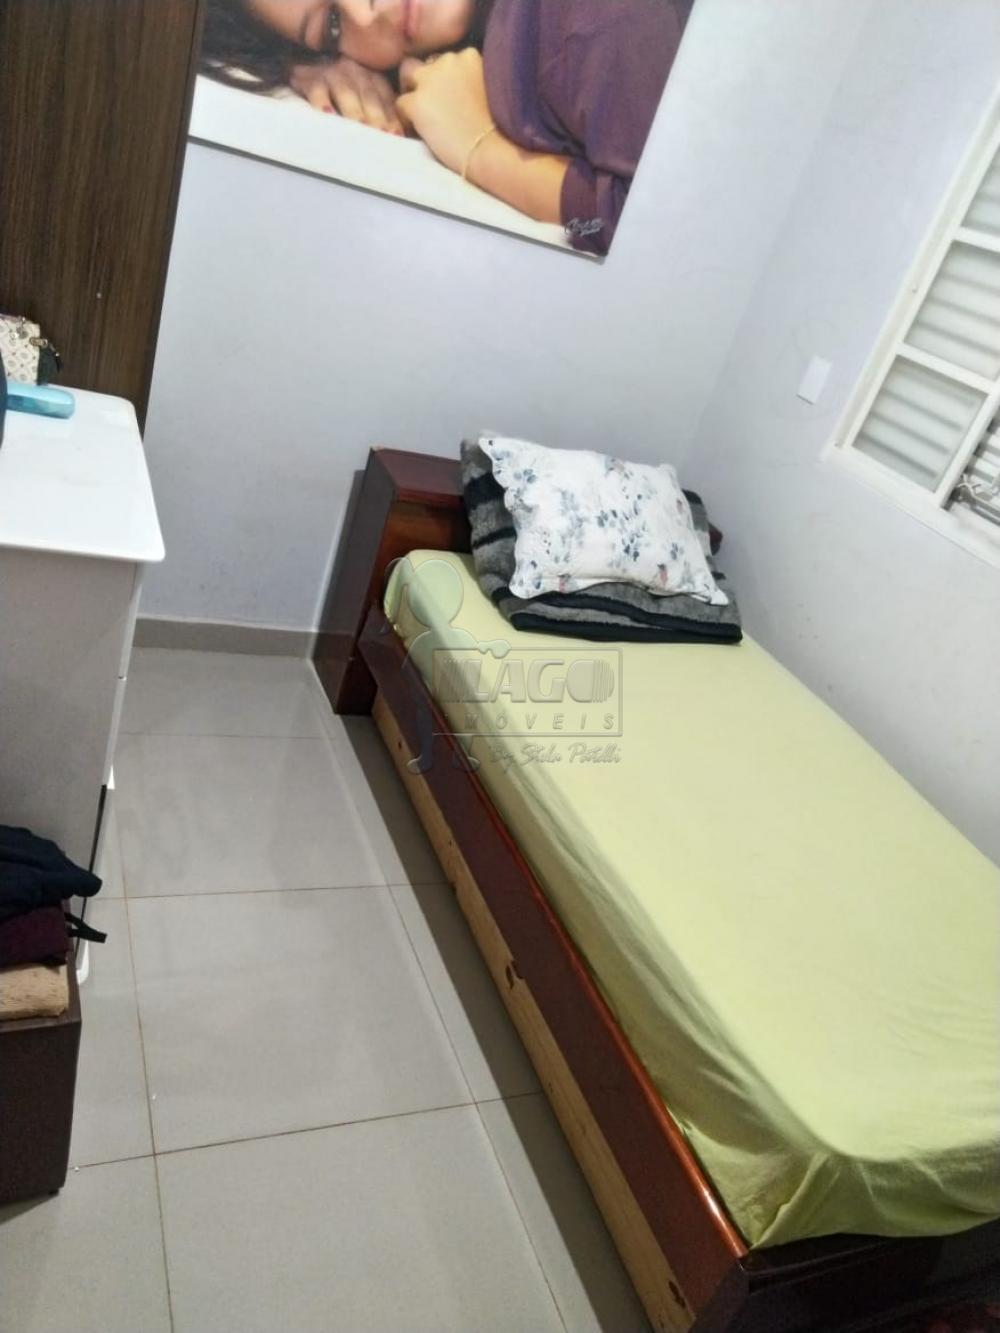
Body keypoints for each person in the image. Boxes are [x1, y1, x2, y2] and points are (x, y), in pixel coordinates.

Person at [200, 0, 694, 255]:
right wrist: (309, 64)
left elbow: (653, 237)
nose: (366, 13)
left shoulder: (589, 18)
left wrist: (480, 147)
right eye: (332, 25)